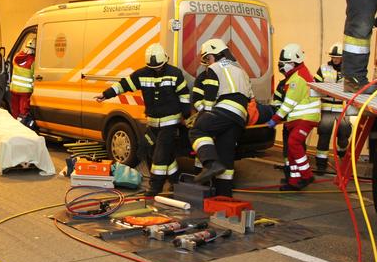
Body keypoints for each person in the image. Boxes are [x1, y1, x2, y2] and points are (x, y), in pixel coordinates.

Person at [95, 43, 190, 196]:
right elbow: (123, 85)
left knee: (160, 155)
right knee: (147, 150)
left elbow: (184, 95)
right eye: (153, 68)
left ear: (165, 60)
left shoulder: (175, 73)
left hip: (170, 123)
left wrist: (186, 116)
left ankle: (155, 187)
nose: (157, 69)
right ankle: (175, 181)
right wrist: (106, 94)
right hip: (152, 124)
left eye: (159, 66)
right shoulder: (142, 74)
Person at [190, 39, 254, 197]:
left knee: (197, 130)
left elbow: (210, 95)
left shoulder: (214, 68)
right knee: (226, 156)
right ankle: (224, 196)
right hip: (240, 116)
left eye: (207, 58)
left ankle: (210, 164)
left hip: (225, 109)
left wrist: (204, 115)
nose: (208, 62)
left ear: (214, 54)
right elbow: (251, 97)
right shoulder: (241, 70)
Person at [267, 43, 321, 190]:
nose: (281, 67)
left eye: (283, 64)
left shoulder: (297, 79)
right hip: (299, 118)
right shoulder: (297, 75)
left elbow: (288, 104)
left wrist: (274, 119)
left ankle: (307, 175)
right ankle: (294, 181)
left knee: (293, 143)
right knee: (292, 150)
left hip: (305, 118)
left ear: (293, 63)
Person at [313, 43, 352, 171]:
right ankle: (321, 164)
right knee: (324, 136)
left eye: (337, 57)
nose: (335, 59)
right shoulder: (324, 69)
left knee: (343, 136)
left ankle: (343, 160)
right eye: (333, 57)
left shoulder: (349, 71)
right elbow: (315, 85)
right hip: (327, 108)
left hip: (343, 109)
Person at [10, 37, 36, 119]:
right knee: (23, 111)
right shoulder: (33, 61)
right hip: (25, 91)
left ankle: (14, 122)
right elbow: (35, 75)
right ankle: (22, 123)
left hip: (14, 88)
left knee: (15, 109)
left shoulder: (16, 57)